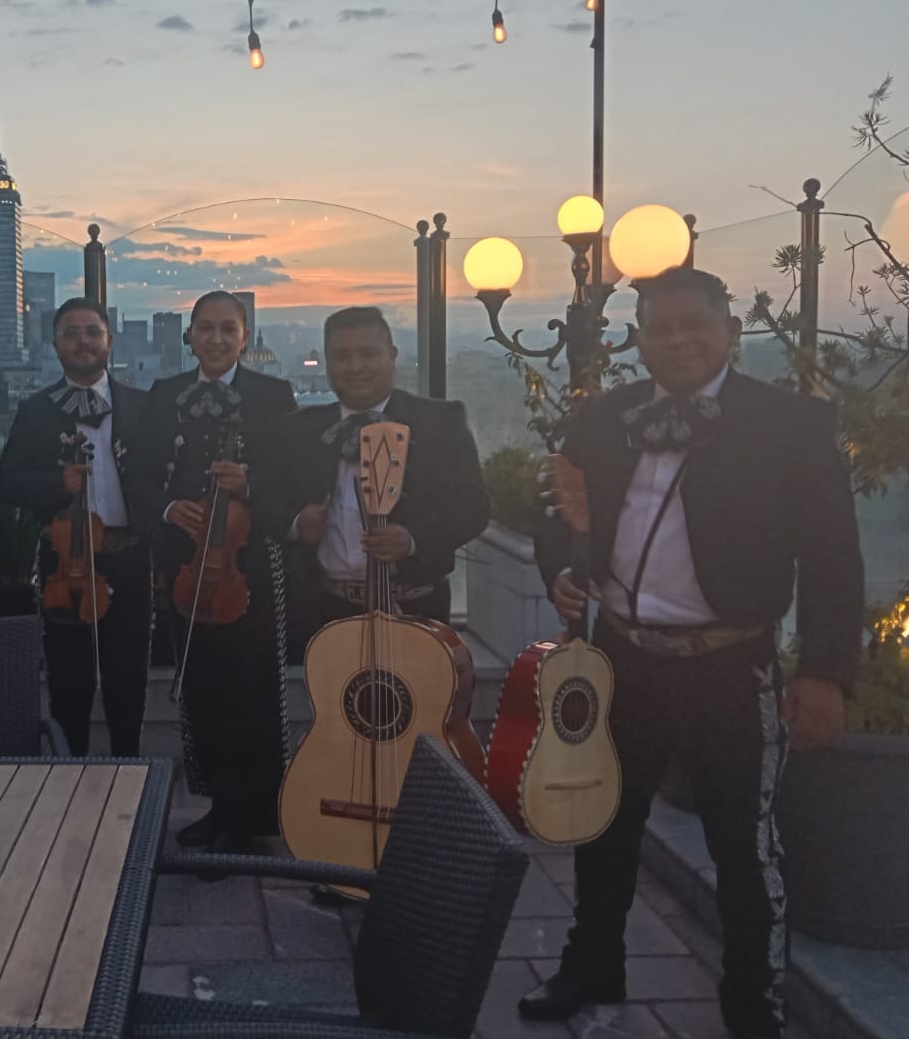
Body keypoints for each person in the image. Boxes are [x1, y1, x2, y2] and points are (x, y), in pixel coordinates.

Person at [520, 266, 863, 1039]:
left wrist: (824, 673)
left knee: (743, 850)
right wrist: (562, 569)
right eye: (658, 328)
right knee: (602, 823)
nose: (675, 340)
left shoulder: (791, 424)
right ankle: (592, 965)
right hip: (622, 658)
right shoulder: (605, 417)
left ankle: (751, 1008)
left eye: (692, 325)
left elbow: (835, 558)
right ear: (636, 337)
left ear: (728, 332)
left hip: (729, 667)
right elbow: (554, 502)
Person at [142, 290, 297, 857]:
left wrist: (250, 487)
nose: (215, 338)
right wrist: (166, 508)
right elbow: (136, 473)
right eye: (204, 328)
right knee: (200, 689)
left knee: (252, 690)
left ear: (245, 336)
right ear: (189, 335)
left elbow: (297, 481)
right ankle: (217, 806)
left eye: (227, 329)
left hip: (248, 565)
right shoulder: (164, 396)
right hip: (186, 567)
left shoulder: (275, 396)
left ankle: (253, 812)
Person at [0, 298, 153, 757]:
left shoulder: (143, 407)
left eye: (92, 332)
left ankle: (131, 778)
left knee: (128, 678)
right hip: (64, 561)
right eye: (70, 333)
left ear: (109, 340)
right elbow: (6, 482)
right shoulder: (36, 410)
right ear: (55, 345)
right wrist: (54, 483)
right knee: (68, 681)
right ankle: (69, 784)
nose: (82, 341)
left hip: (129, 557)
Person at [271, 305, 488, 628]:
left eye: (368, 354)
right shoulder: (298, 430)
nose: (355, 366)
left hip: (416, 609)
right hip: (323, 612)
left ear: (392, 354)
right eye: (341, 356)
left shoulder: (440, 422)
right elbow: (266, 501)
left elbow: (472, 507)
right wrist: (296, 523)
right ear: (328, 363)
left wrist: (412, 538)